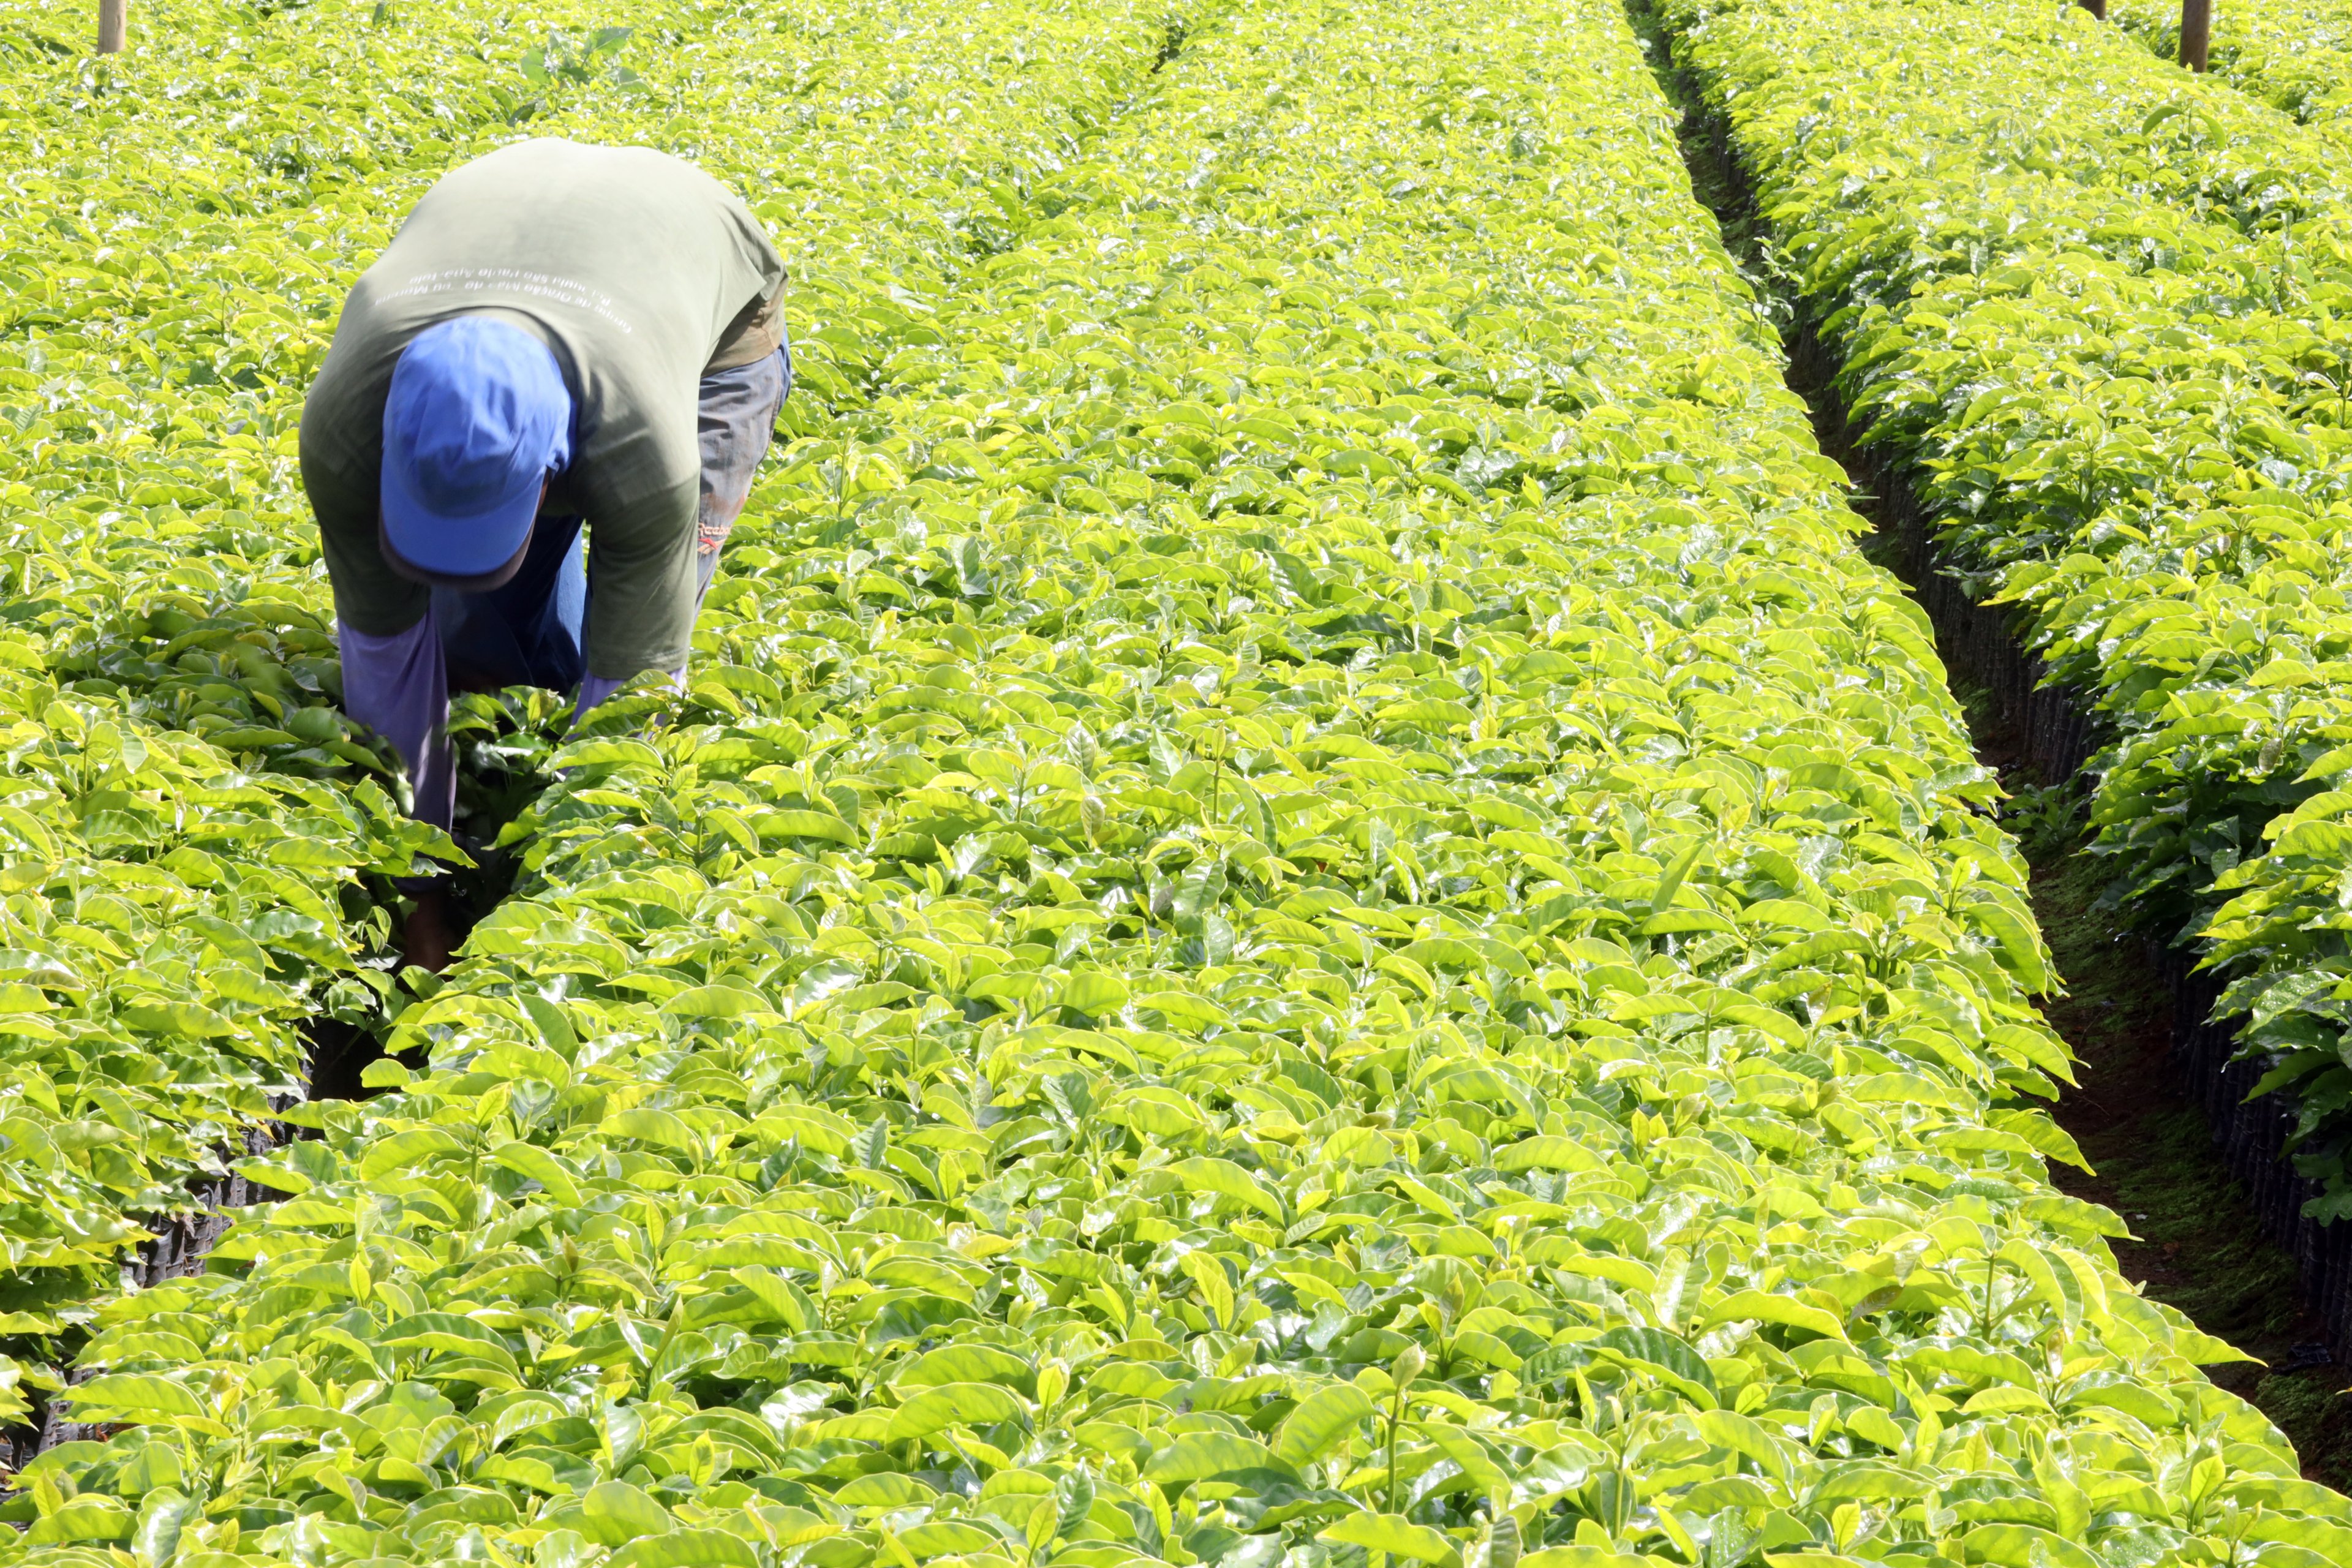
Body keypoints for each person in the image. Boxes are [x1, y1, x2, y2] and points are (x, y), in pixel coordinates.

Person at [299, 138, 792, 970]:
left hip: (708, 304)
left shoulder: (645, 455)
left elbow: (632, 698)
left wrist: (564, 918)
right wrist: (418, 894)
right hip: (507, 211)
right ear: (391, 448)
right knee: (482, 640)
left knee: (627, 622)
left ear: (551, 473)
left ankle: (532, 830)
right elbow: (385, 665)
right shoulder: (346, 430)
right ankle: (505, 779)